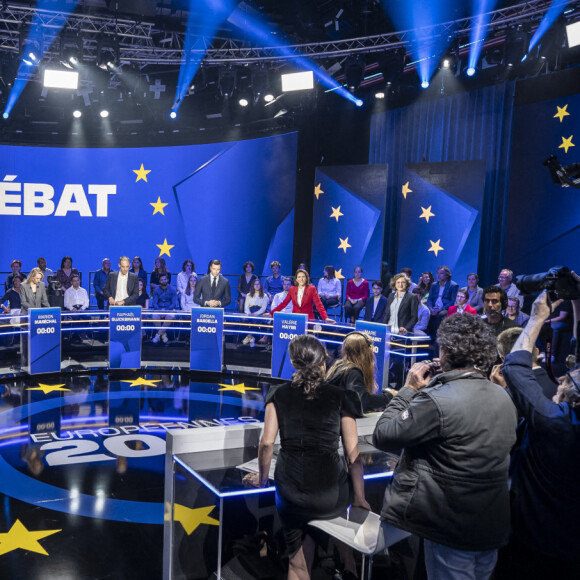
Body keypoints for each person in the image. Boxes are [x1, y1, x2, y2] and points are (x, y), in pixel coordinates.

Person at [373, 313, 518, 579]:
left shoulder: (436, 399)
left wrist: (408, 389)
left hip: (451, 527)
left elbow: (383, 435)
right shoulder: (504, 397)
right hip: (490, 525)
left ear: (447, 351)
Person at [242, 335, 368, 580]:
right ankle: (347, 563)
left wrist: (262, 479)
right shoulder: (340, 396)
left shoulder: (278, 395)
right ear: (323, 362)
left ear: (294, 363)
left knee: (298, 566)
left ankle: (316, 561)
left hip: (291, 493)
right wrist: (360, 498)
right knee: (339, 515)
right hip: (330, 495)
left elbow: (267, 443)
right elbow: (354, 457)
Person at [497, 285, 580, 580]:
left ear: (572, 396)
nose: (565, 376)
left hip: (532, 546)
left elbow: (515, 368)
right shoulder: (568, 417)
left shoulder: (555, 422)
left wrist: (537, 317)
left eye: (569, 378)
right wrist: (577, 301)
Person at [327, 331, 394, 412]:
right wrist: (390, 396)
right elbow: (362, 401)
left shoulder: (339, 367)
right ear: (365, 352)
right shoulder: (352, 371)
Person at [493, 327, 557, 400]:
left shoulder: (512, 393)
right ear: (536, 352)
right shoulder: (558, 383)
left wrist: (499, 389)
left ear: (503, 359)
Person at [270, 269, 335, 323]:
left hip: (308, 320)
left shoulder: (312, 289)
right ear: (296, 279)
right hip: (295, 319)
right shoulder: (292, 289)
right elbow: (284, 304)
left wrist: (325, 318)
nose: (301, 279)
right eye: (299, 277)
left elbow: (319, 305)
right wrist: (271, 313)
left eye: (303, 277)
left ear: (306, 278)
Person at [151, 273, 179, 343]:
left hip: (169, 309)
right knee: (154, 316)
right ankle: (163, 335)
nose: (163, 281)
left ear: (168, 280)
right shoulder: (156, 290)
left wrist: (166, 311)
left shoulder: (173, 289)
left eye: (165, 279)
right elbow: (154, 303)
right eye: (162, 280)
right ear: (159, 281)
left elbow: (173, 304)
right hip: (158, 309)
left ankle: (158, 335)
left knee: (171, 315)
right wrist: (160, 310)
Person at [243, 278, 269, 347]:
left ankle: (250, 337)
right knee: (243, 320)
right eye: (255, 284)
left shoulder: (264, 295)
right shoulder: (248, 295)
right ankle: (251, 337)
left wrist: (255, 314)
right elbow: (246, 307)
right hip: (250, 312)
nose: (257, 286)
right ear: (253, 286)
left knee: (255, 320)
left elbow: (263, 308)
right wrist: (249, 314)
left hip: (259, 312)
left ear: (260, 285)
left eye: (258, 284)